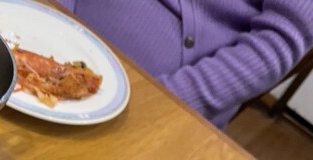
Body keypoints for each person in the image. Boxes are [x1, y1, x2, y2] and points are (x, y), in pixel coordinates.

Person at [57, 0, 313, 128]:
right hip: (54, 33)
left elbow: (280, 41)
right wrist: (54, 12)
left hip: (162, 100)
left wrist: (160, 104)